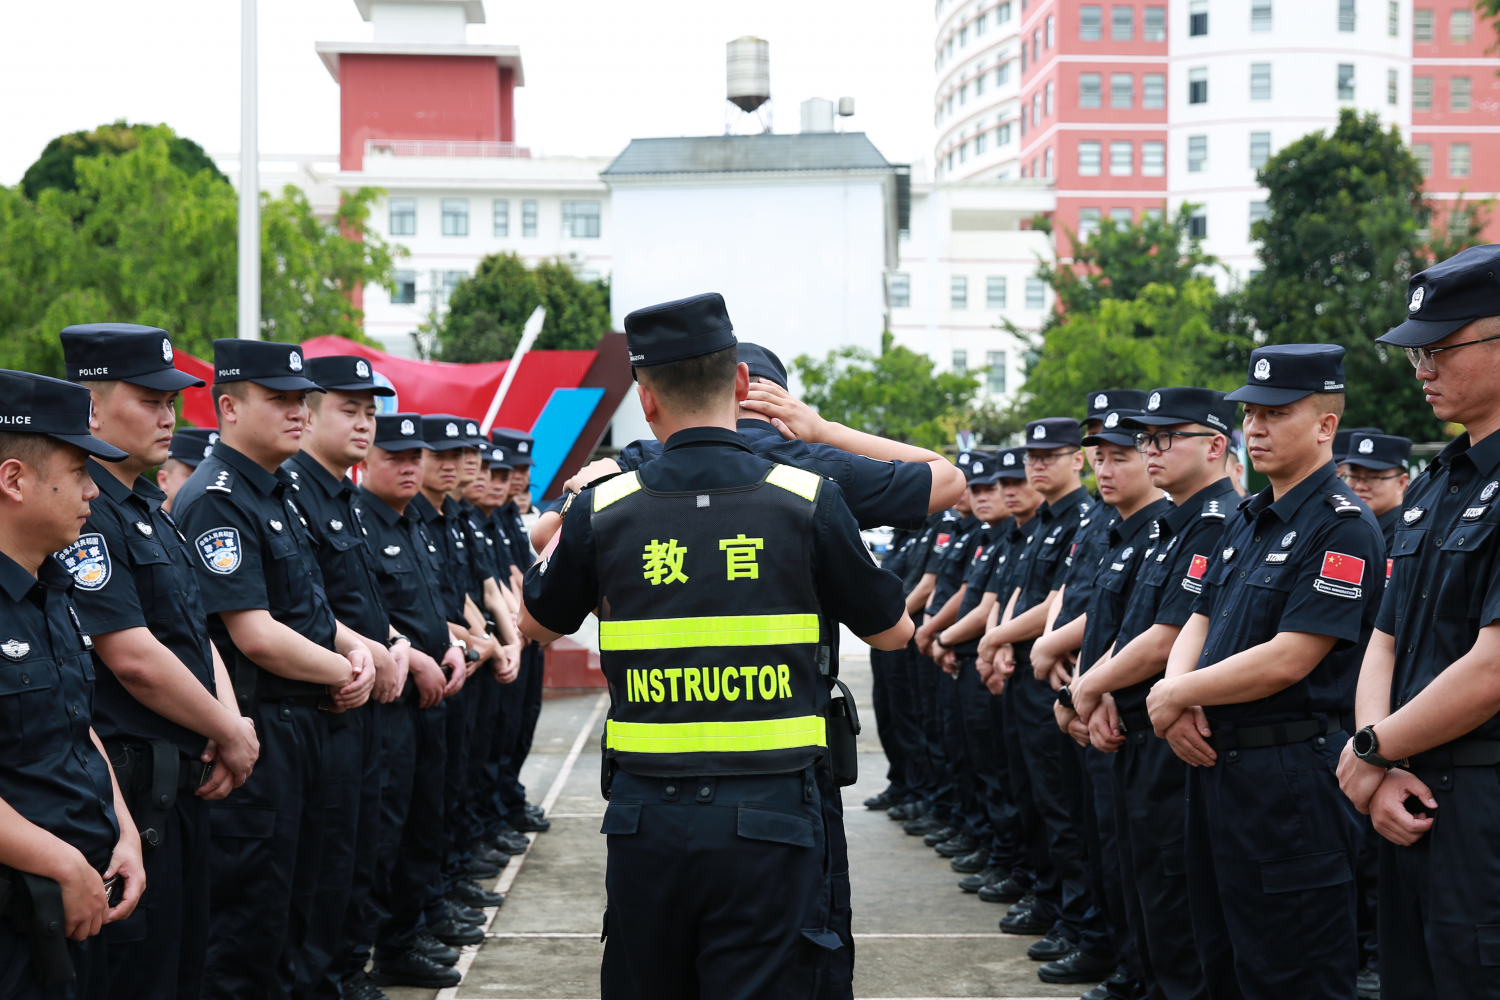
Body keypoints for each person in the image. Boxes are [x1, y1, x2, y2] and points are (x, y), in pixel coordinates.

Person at [520, 292, 913, 998]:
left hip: (645, 818)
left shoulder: (604, 508)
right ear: (739, 384)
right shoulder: (807, 498)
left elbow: (536, 624)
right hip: (774, 817)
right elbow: (893, 631)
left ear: (646, 401)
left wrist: (575, 517)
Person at [1147, 344, 1382, 999]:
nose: (1255, 427)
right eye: (1250, 412)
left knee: (1293, 970)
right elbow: (1199, 617)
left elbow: (1293, 654)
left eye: (1275, 413)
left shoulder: (1342, 527)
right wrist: (1179, 698)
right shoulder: (1248, 520)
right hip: (1218, 769)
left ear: (1325, 425)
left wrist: (1174, 694)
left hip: (1291, 785)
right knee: (1222, 960)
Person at [58, 324, 259, 1000]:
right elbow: (132, 656)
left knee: (185, 967)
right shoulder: (85, 513)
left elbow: (195, 636)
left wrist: (231, 725)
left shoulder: (150, 507)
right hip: (135, 791)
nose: (168, 416)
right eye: (149, 400)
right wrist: (230, 732)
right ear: (92, 409)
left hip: (184, 785)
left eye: (171, 401)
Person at [171, 340, 373, 1000]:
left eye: (299, 399)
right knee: (251, 919)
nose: (297, 412)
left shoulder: (277, 491)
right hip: (264, 730)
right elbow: (254, 634)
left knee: (309, 899)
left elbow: (309, 609)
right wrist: (344, 670)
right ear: (228, 407)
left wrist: (353, 648)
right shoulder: (216, 498)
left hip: (309, 720)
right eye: (278, 399)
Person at [1336, 245, 1500, 999]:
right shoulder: (1438, 483)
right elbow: (1388, 636)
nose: (1423, 368)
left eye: (1440, 348)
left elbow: (1492, 669)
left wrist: (1371, 751)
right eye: (1416, 354)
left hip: (1483, 813)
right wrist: (1378, 767)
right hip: (1406, 790)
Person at [1070, 386, 1239, 1000]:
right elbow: (1127, 631)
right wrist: (1098, 690)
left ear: (1215, 446)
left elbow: (1168, 635)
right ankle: (1144, 980)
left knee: (1172, 887)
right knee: (1139, 874)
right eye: (1148, 439)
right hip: (1131, 722)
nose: (1150, 451)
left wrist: (1086, 688)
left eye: (1163, 438)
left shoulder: (1214, 523)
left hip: (1171, 733)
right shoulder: (1169, 526)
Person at [0, 370, 144, 1000]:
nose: (94, 492)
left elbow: (73, 722)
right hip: (18, 917)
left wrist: (125, 831)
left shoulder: (50, 587)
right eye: (80, 471)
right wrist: (59, 862)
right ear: (14, 480)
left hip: (85, 902)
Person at [285, 355, 401, 999]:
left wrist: (394, 645)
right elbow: (307, 610)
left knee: (360, 849)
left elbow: (364, 601)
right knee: (322, 864)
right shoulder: (296, 491)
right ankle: (326, 979)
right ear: (309, 414)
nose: (365, 424)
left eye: (370, 411)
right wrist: (362, 656)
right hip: (324, 702)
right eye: (348, 410)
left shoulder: (342, 495)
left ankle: (341, 973)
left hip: (364, 700)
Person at [1046, 406, 1174, 989]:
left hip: (1142, 721)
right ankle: (1123, 959)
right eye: (1100, 458)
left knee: (1152, 868)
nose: (1107, 469)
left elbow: (1158, 635)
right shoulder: (1115, 529)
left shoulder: (1171, 528)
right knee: (1106, 846)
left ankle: (1134, 966)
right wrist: (1082, 686)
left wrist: (1086, 689)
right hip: (1102, 705)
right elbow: (1105, 618)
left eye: (1120, 456)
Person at [976, 418, 1098, 964]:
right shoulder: (1040, 523)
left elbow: (1062, 600)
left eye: (1050, 455)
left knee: (1063, 806)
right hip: (1031, 669)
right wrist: (1000, 641)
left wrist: (1011, 640)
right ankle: (1050, 898)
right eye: (1032, 456)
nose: (1036, 464)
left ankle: (1079, 921)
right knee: (1033, 794)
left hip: (1066, 677)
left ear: (1078, 460)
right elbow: (1027, 592)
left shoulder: (1085, 518)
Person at [355, 413, 468, 995]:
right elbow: (363, 616)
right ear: (365, 462)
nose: (408, 467)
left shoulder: (412, 522)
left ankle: (411, 931)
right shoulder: (362, 522)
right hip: (391, 699)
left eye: (412, 458)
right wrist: (416, 653)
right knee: (386, 831)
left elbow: (430, 607)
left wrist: (448, 645)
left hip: (432, 695)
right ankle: (381, 947)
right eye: (393, 456)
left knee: (427, 816)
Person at [1337, 428, 1410, 998]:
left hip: (1402, 720)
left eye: (1374, 476)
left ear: (1402, 481)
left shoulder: (1385, 536)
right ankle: (1366, 952)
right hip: (1358, 714)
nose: (1359, 484)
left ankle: (1374, 958)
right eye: (1352, 475)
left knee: (1378, 856)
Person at [157, 428, 217, 512]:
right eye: (194, 475)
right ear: (163, 480)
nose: (205, 483)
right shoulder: (143, 522)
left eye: (211, 476)